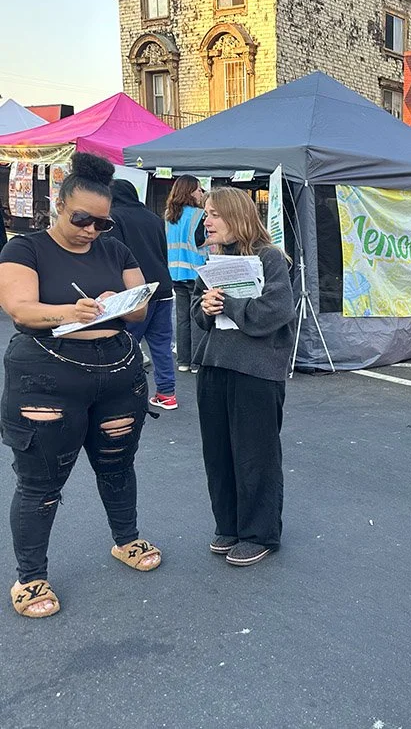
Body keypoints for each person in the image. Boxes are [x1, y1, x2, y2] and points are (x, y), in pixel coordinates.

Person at [0, 153, 161, 619]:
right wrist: (71, 311)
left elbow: (139, 310)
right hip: (47, 378)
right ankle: (31, 577)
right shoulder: (24, 249)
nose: (91, 230)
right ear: (59, 204)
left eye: (101, 223)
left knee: (117, 465)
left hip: (116, 372)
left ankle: (125, 540)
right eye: (82, 219)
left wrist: (118, 302)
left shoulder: (116, 250)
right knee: (40, 483)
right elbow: (20, 309)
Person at [192, 187, 296, 567]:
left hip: (256, 370)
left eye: (215, 213)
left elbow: (275, 311)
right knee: (218, 453)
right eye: (206, 213)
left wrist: (231, 305)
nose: (207, 220)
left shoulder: (270, 257)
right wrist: (205, 306)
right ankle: (229, 524)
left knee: (256, 455)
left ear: (237, 216)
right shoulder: (214, 258)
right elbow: (197, 315)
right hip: (215, 364)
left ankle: (259, 532)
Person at [109, 179, 177, 409]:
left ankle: (122, 392)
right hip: (163, 287)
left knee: (125, 342)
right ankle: (167, 393)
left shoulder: (114, 218)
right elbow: (162, 252)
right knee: (161, 344)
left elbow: (115, 255)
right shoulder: (154, 218)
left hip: (135, 291)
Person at [165, 175, 207, 374]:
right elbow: (199, 241)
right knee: (198, 316)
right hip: (196, 272)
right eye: (199, 189)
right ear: (190, 191)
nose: (201, 193)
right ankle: (197, 362)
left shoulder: (169, 216)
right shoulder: (199, 215)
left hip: (175, 272)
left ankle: (183, 360)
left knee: (182, 318)